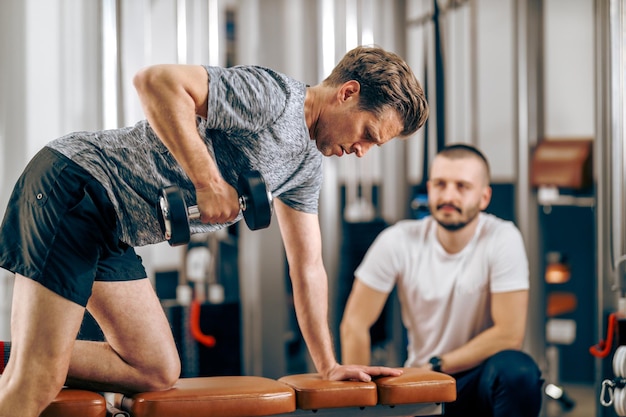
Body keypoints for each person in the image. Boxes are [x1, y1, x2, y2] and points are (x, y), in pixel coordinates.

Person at [0, 45, 429, 417]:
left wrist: (329, 365)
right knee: (36, 380)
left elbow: (308, 266)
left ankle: (19, 354)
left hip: (111, 227)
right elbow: (155, 81)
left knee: (155, 369)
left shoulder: (306, 166)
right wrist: (207, 182)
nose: (361, 152)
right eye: (368, 134)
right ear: (347, 92)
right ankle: (33, 361)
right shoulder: (275, 98)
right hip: (77, 184)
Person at [340, 144, 543, 417]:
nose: (448, 195)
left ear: (484, 197)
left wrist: (438, 364)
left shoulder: (503, 238)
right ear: (429, 188)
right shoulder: (398, 239)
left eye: (462, 186)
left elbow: (509, 333)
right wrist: (360, 402)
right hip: (422, 381)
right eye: (440, 184)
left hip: (476, 378)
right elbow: (355, 323)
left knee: (518, 371)